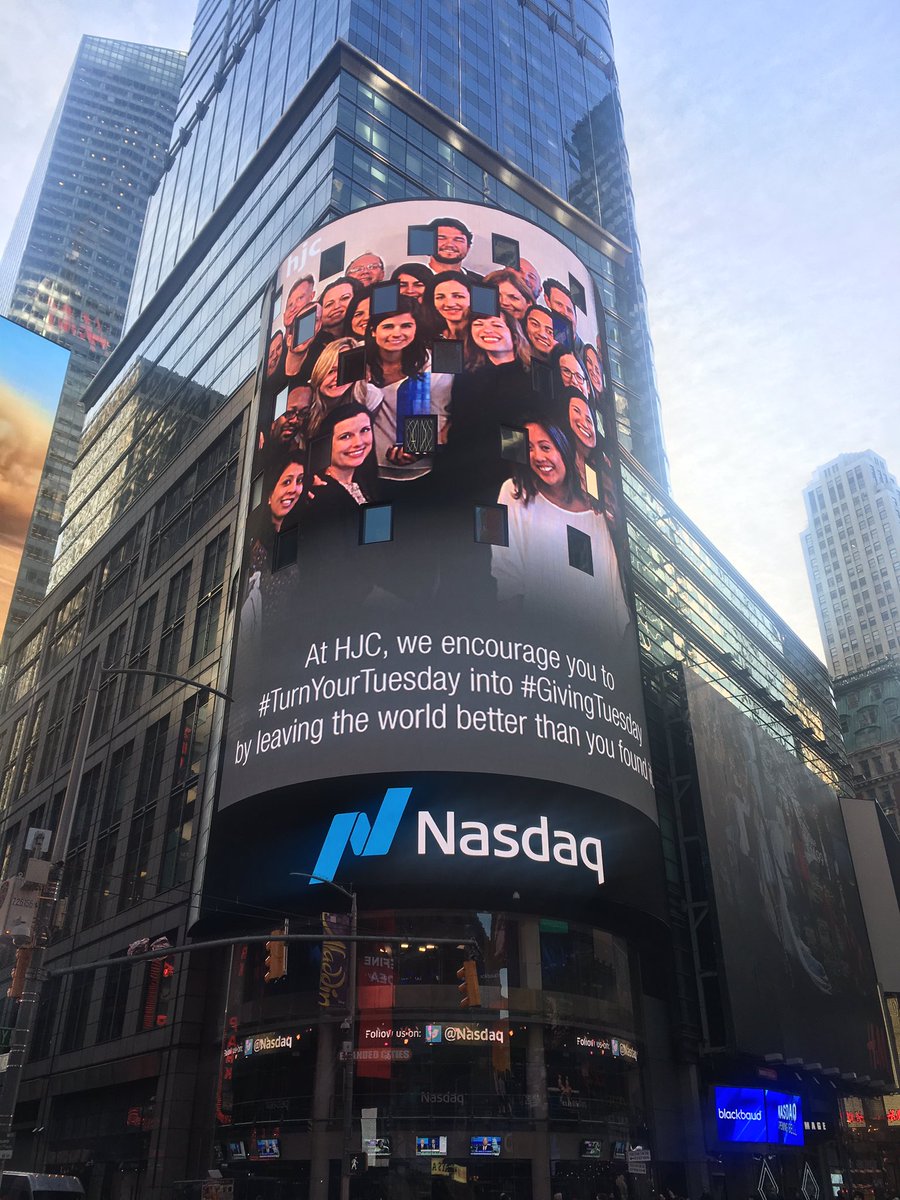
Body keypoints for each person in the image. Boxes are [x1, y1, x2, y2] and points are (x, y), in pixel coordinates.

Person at [491, 419, 630, 637]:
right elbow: (506, 574)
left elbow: (613, 600)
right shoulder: (515, 492)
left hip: (591, 645)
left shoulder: (595, 515)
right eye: (529, 448)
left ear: (564, 448)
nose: (538, 456)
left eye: (545, 447)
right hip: (535, 642)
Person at [365, 298, 451, 481]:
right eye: (388, 326)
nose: (397, 333)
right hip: (366, 466)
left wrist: (416, 449)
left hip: (423, 469)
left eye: (406, 326)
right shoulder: (357, 357)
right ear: (373, 330)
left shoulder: (434, 361)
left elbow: (441, 412)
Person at [306, 337, 380, 439]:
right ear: (320, 371)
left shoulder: (369, 395)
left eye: (346, 370)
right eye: (331, 371)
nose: (338, 378)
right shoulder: (304, 398)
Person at [466, 311, 531, 370]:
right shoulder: (468, 371)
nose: (487, 330)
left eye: (497, 325)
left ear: (515, 336)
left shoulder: (533, 370)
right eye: (478, 324)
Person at [422, 270, 471, 341]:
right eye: (440, 297)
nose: (449, 304)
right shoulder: (426, 337)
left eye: (458, 296)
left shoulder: (484, 337)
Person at [544, 277, 585, 354]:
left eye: (569, 310)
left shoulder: (585, 354)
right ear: (547, 300)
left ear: (576, 318)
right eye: (559, 304)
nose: (565, 313)